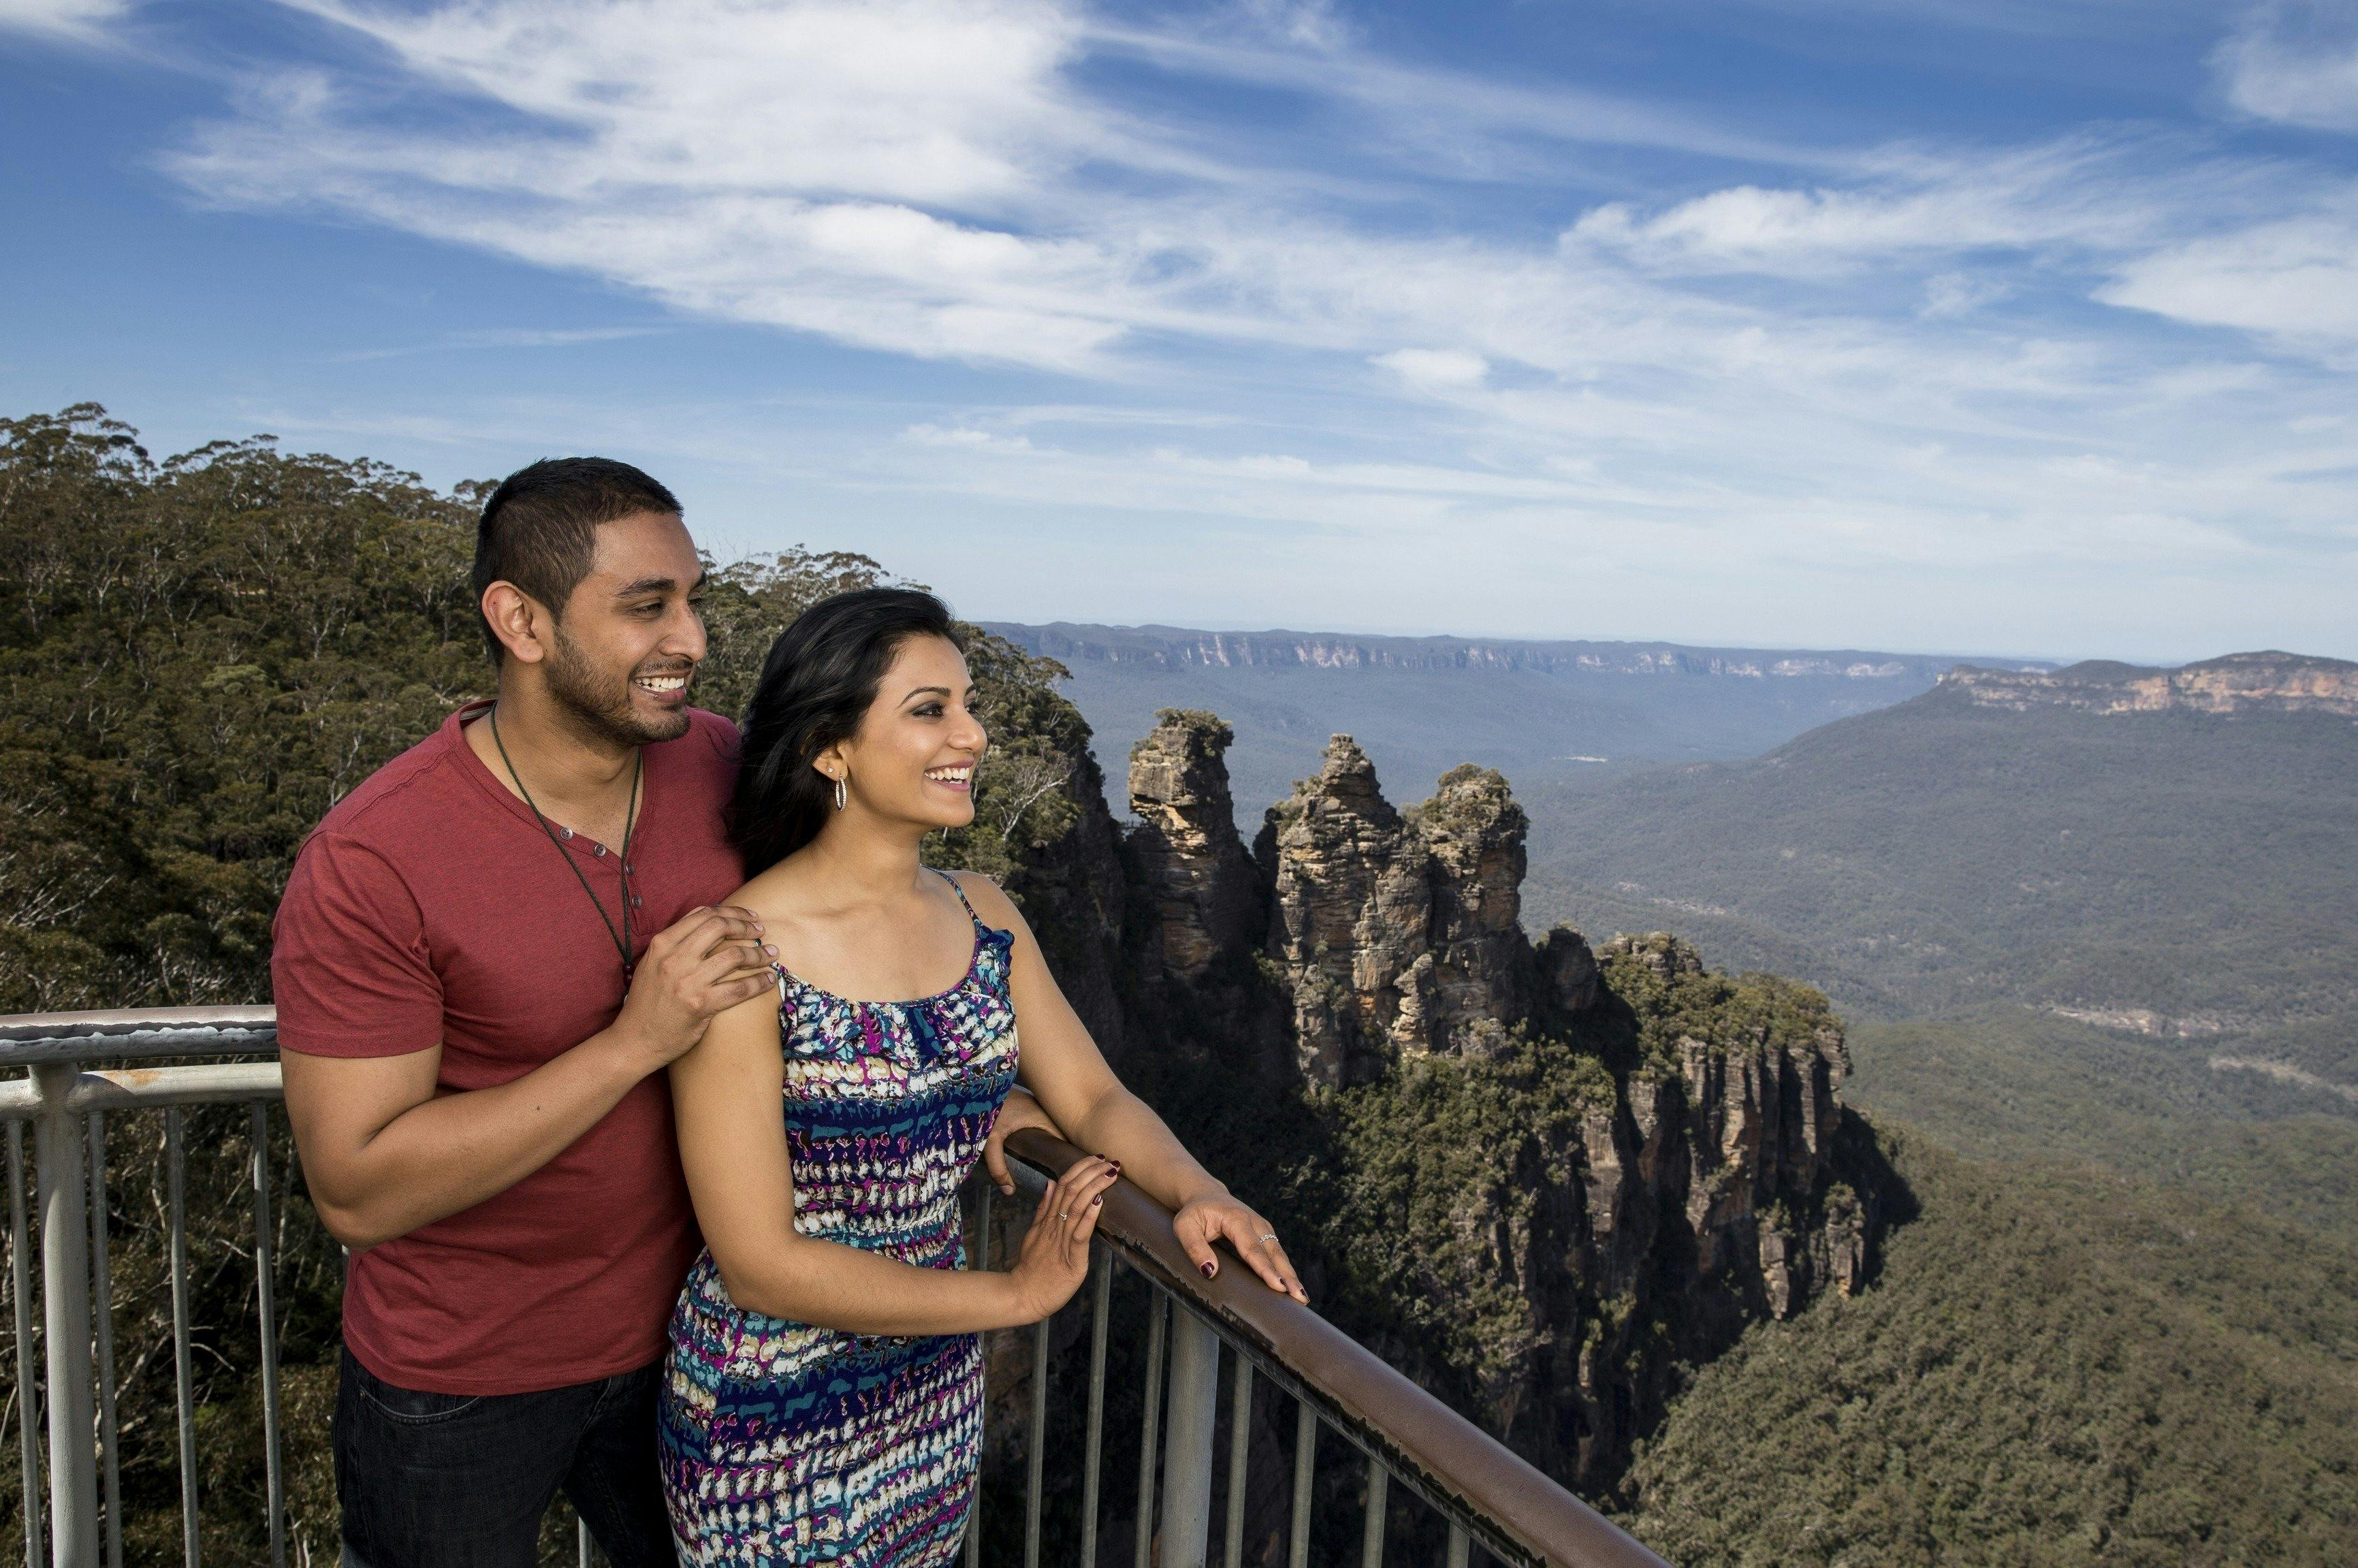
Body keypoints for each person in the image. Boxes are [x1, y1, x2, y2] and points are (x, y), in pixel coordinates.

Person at [272, 464, 1059, 1567]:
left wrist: (949, 1082)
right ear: (521, 620)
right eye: (648, 606)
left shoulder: (727, 769)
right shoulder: (374, 861)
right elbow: (356, 1187)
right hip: (463, 1378)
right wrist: (634, 1044)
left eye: (695, 599)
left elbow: (857, 944)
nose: (690, 637)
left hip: (707, 1352)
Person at [658, 588, 1305, 1565]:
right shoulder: (742, 955)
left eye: (968, 704)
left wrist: (1198, 1191)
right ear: (831, 749)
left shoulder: (984, 911)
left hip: (929, 1393)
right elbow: (761, 1264)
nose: (974, 734)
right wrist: (1016, 1295)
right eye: (930, 710)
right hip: (769, 1417)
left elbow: (1091, 1098)